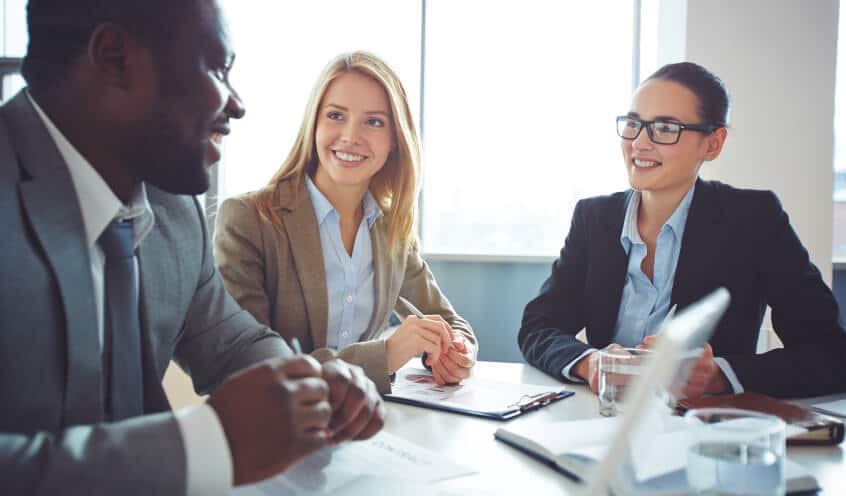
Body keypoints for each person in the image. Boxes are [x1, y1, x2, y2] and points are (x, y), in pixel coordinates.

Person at [0, 1, 384, 495]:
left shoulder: (176, 211)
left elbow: (233, 341)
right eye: (218, 69)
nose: (237, 105)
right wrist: (204, 448)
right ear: (115, 57)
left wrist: (314, 383)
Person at [519, 61, 846, 400]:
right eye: (633, 124)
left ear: (713, 143)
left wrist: (719, 375)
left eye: (665, 128)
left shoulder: (754, 219)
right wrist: (591, 363)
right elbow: (539, 327)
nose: (639, 144)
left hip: (701, 432)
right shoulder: (593, 218)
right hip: (600, 421)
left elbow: (831, 354)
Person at [214, 51, 477, 393]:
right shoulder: (249, 220)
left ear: (395, 139)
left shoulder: (391, 228)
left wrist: (455, 351)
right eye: (336, 115)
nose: (351, 136)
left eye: (374, 121)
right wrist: (384, 355)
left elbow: (451, 322)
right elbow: (251, 368)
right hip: (278, 432)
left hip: (369, 424)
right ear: (314, 124)